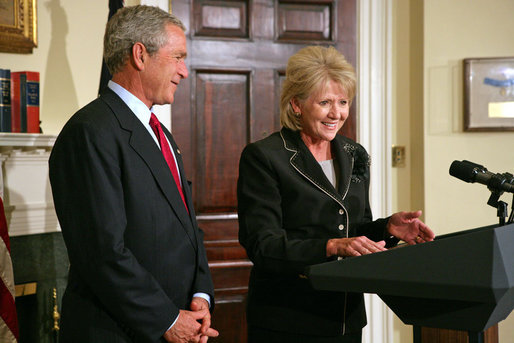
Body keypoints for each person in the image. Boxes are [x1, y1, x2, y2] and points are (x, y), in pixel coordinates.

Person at [237, 46, 435, 343]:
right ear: (296, 105)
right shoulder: (264, 157)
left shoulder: (355, 154)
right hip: (287, 319)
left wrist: (387, 228)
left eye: (343, 102)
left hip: (345, 318)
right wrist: (330, 246)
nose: (337, 113)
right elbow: (263, 246)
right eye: (325, 102)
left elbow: (353, 230)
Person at [49, 6, 218, 343]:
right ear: (140, 55)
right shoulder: (89, 132)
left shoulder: (160, 133)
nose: (185, 71)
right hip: (115, 332)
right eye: (178, 57)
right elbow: (103, 252)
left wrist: (201, 294)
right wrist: (168, 319)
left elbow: (186, 227)